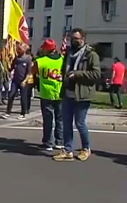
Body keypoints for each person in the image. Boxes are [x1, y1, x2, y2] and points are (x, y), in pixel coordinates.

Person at [53, 28, 100, 162]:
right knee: (66, 123)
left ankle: (86, 148)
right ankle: (68, 150)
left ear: (83, 39)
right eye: (72, 38)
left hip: (82, 93)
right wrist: (61, 76)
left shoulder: (90, 55)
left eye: (76, 39)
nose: (74, 41)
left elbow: (96, 74)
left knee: (79, 123)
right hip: (68, 92)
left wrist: (78, 74)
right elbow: (65, 70)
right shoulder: (69, 53)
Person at [33, 39, 64, 151]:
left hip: (46, 93)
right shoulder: (62, 60)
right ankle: (60, 142)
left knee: (48, 119)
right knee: (60, 119)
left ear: (45, 49)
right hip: (60, 93)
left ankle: (48, 142)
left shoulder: (40, 61)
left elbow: (33, 72)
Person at [2, 43, 31, 120]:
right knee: (11, 95)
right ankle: (8, 112)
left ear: (24, 50)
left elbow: (29, 72)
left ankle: (23, 113)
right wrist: (7, 64)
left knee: (23, 98)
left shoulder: (28, 58)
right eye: (17, 49)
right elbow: (11, 68)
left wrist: (25, 81)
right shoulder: (16, 58)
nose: (18, 51)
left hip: (23, 81)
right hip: (15, 80)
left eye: (19, 49)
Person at [25, 49, 35, 113]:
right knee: (24, 96)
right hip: (24, 81)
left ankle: (27, 108)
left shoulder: (33, 63)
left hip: (31, 81)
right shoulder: (24, 62)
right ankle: (24, 108)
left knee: (28, 96)